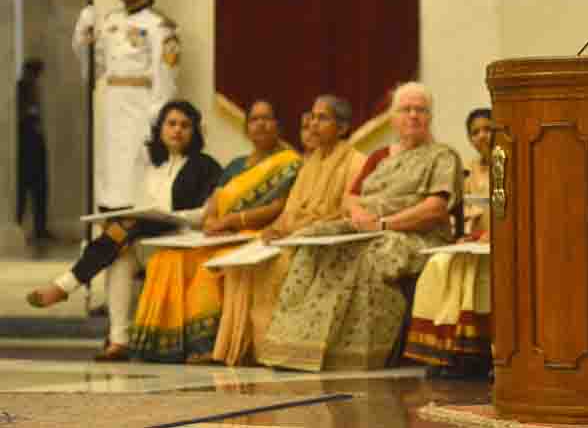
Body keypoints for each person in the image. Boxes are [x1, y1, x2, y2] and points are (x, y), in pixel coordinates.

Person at [258, 82, 463, 371]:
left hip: (415, 235)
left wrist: (382, 223)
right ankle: (293, 348)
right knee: (310, 242)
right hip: (366, 227)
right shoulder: (380, 156)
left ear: (430, 117)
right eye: (406, 109)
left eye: (421, 110)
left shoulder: (442, 156)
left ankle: (353, 356)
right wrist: (358, 216)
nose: (414, 116)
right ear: (394, 117)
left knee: (367, 257)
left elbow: (435, 208)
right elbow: (350, 197)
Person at [26, 100, 222, 361]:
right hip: (147, 241)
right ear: (160, 129)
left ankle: (66, 284)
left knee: (124, 232)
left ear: (195, 131)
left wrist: (174, 217)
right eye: (171, 124)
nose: (177, 130)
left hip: (181, 241)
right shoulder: (153, 167)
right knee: (120, 254)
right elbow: (139, 208)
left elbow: (208, 213)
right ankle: (119, 342)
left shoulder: (206, 166)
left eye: (185, 125)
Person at [129, 100, 302, 363]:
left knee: (207, 270)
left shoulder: (290, 162)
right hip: (223, 235)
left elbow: (280, 207)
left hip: (258, 236)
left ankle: (206, 346)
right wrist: (211, 221)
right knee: (167, 260)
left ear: (278, 126)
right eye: (254, 119)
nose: (261, 124)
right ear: (246, 128)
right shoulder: (235, 165)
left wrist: (234, 219)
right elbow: (214, 202)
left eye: (267, 118)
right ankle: (164, 344)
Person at [212, 95, 365, 366]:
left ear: (342, 128)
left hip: (324, 242)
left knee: (273, 267)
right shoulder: (310, 163)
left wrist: (296, 230)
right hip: (293, 237)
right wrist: (275, 229)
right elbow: (290, 210)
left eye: (323, 118)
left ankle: (278, 351)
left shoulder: (356, 162)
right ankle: (247, 350)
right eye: (312, 117)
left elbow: (346, 213)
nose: (314, 124)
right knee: (243, 265)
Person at [73, 0, 180, 212]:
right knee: (110, 181)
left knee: (136, 185)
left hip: (140, 113)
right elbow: (93, 72)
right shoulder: (110, 22)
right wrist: (83, 38)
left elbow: (166, 82)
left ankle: (131, 248)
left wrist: (155, 124)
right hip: (112, 113)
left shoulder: (159, 27)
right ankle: (109, 240)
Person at [403, 108, 493, 378]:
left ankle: (476, 353)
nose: (483, 136)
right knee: (439, 265)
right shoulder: (467, 171)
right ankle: (443, 350)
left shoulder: (511, 165)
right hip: (472, 241)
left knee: (474, 271)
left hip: (500, 243)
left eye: (488, 129)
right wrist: (465, 233)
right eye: (475, 132)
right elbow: (461, 211)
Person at [17, 58, 52, 243]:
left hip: (35, 146)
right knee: (23, 190)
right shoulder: (22, 88)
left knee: (39, 190)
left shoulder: (31, 88)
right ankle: (19, 226)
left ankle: (40, 228)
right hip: (26, 147)